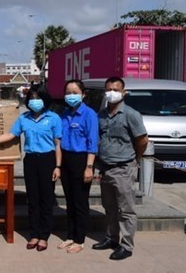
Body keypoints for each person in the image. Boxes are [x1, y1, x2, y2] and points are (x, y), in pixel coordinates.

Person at [0, 84, 62, 252]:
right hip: (30, 160)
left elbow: (58, 144)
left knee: (46, 199)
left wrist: (58, 166)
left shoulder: (53, 118)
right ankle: (34, 234)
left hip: (48, 160)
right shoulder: (24, 118)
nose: (35, 101)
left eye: (38, 98)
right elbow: (10, 135)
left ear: (45, 99)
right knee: (33, 199)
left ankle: (44, 236)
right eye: (32, 98)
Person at [92, 77, 148, 261]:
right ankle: (112, 238)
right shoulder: (101, 115)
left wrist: (135, 159)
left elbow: (142, 140)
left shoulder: (131, 115)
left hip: (124, 167)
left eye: (115, 89)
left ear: (124, 93)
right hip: (106, 168)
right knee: (109, 207)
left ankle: (127, 245)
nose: (111, 92)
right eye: (108, 89)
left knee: (126, 209)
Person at [58, 80, 99, 254]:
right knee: (69, 200)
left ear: (83, 95)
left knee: (80, 201)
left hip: (82, 160)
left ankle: (80, 239)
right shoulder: (64, 113)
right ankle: (70, 235)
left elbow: (93, 142)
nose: (71, 95)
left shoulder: (89, 114)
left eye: (75, 92)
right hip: (67, 160)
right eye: (68, 92)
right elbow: (59, 140)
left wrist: (89, 166)